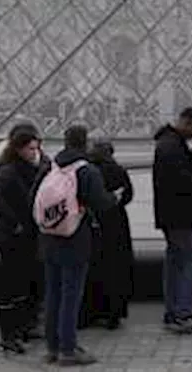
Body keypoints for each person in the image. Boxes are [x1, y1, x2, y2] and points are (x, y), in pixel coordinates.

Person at [33, 125, 116, 366]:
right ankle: (68, 349)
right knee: (71, 295)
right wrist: (114, 198)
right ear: (86, 143)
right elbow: (101, 202)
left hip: (49, 239)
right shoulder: (87, 171)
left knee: (52, 293)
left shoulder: (50, 166)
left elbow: (34, 201)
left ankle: (52, 347)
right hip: (75, 239)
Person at [152, 107, 192, 335]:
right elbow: (180, 181)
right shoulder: (173, 146)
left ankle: (173, 311)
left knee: (175, 262)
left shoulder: (166, 143)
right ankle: (183, 313)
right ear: (186, 123)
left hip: (170, 215)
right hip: (181, 216)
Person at [0, 123, 44, 355]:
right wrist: (14, 220)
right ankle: (9, 336)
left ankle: (23, 328)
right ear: (19, 149)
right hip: (12, 238)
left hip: (26, 236)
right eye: (31, 148)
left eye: (36, 148)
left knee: (25, 283)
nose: (35, 152)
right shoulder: (9, 170)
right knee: (12, 286)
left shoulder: (31, 166)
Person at [85, 140, 134, 330]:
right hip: (116, 224)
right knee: (116, 268)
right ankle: (114, 312)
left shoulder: (88, 171)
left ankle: (92, 311)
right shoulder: (118, 171)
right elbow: (128, 195)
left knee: (95, 268)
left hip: (94, 224)